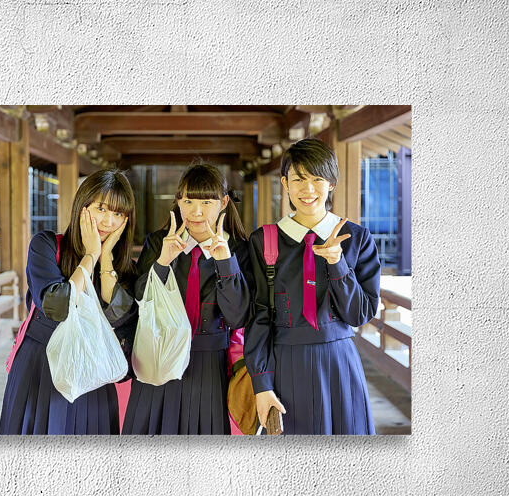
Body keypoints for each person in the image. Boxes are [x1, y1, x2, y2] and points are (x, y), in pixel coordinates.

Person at [244, 138, 381, 435]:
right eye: (299, 179)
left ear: (331, 183)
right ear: (285, 183)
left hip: (339, 364)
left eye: (318, 179)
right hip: (285, 366)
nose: (308, 190)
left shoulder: (356, 238)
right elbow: (258, 317)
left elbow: (360, 315)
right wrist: (262, 384)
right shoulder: (263, 240)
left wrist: (338, 265)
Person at [0, 169, 137, 435]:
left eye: (118, 214)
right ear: (82, 205)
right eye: (102, 209)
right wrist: (91, 255)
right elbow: (57, 307)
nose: (108, 221)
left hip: (94, 372)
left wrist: (105, 260)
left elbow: (119, 318)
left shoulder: (124, 268)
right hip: (41, 366)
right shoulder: (47, 246)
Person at [122, 163, 251, 435]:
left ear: (224, 202)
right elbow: (139, 300)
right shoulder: (159, 242)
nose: (197, 211)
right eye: (188, 201)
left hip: (208, 362)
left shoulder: (238, 248)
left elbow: (238, 316)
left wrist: (226, 263)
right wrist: (162, 262)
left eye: (207, 201)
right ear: (178, 201)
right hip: (157, 351)